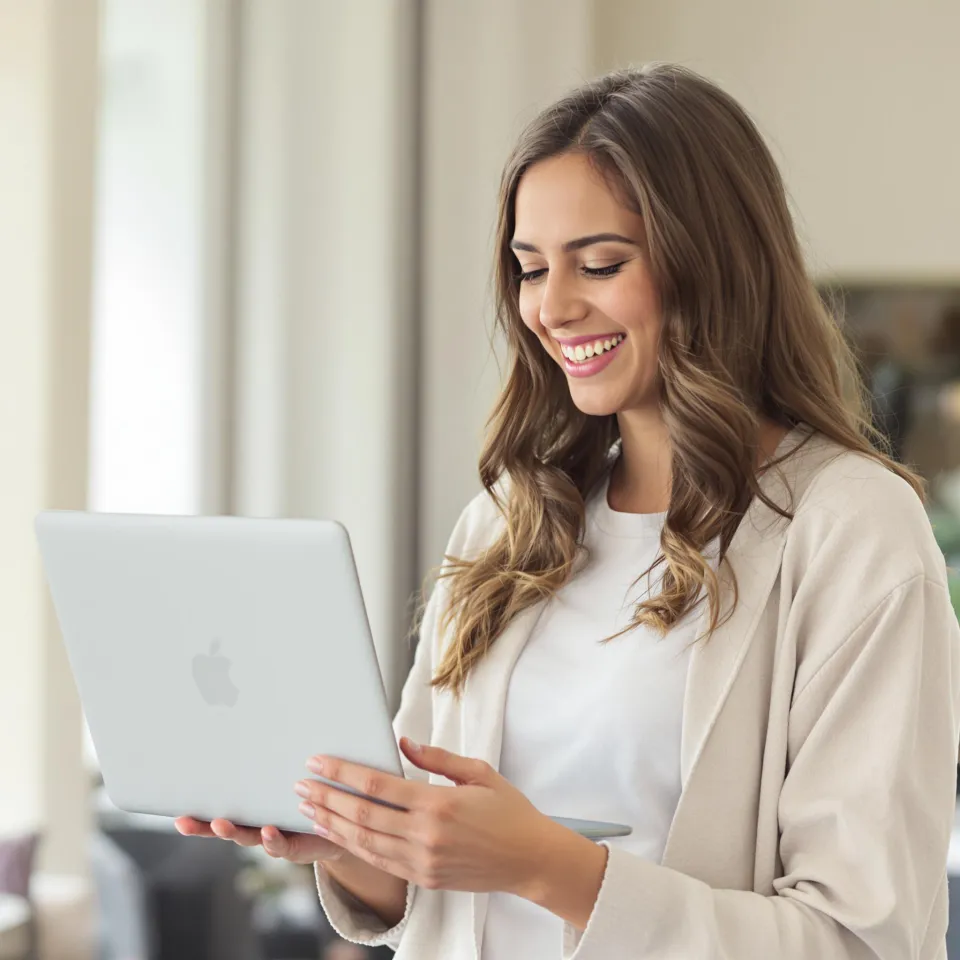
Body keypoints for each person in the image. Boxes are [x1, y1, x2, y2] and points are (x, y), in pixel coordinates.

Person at [175, 63, 960, 959]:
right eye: (530, 268)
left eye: (600, 264)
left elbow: (863, 938)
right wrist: (363, 848)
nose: (551, 308)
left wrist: (550, 868)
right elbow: (437, 887)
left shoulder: (852, 531)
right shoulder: (513, 518)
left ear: (715, 264)